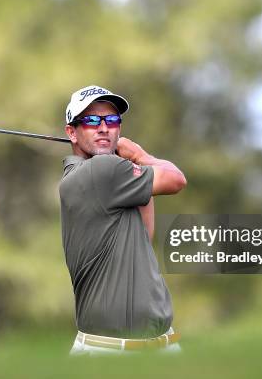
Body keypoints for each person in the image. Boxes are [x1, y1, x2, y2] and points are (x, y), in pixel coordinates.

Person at [59, 85, 187, 355]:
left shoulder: (97, 176)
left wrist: (132, 166)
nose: (104, 127)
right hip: (111, 352)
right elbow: (176, 179)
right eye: (92, 120)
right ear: (72, 132)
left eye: (112, 120)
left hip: (160, 347)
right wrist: (140, 155)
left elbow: (144, 236)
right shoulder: (102, 170)